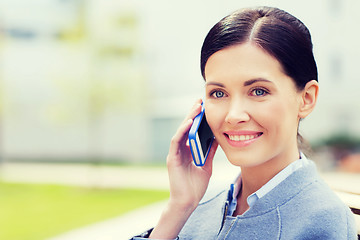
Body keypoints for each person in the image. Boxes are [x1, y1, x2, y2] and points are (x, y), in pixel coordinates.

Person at [131, 6, 357, 239]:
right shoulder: (199, 205)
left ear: (306, 98)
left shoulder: (324, 222)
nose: (233, 115)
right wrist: (179, 207)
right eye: (218, 93)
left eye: (258, 91)